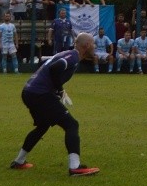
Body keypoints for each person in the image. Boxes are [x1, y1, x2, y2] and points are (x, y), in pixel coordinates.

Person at [9, 31, 100, 176]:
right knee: (71, 124)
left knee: (42, 126)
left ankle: (19, 161)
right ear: (87, 45)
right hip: (40, 94)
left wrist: (56, 90)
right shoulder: (73, 57)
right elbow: (54, 68)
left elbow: (46, 67)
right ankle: (75, 167)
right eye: (93, 44)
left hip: (29, 92)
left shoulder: (68, 54)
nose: (94, 47)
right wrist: (59, 90)